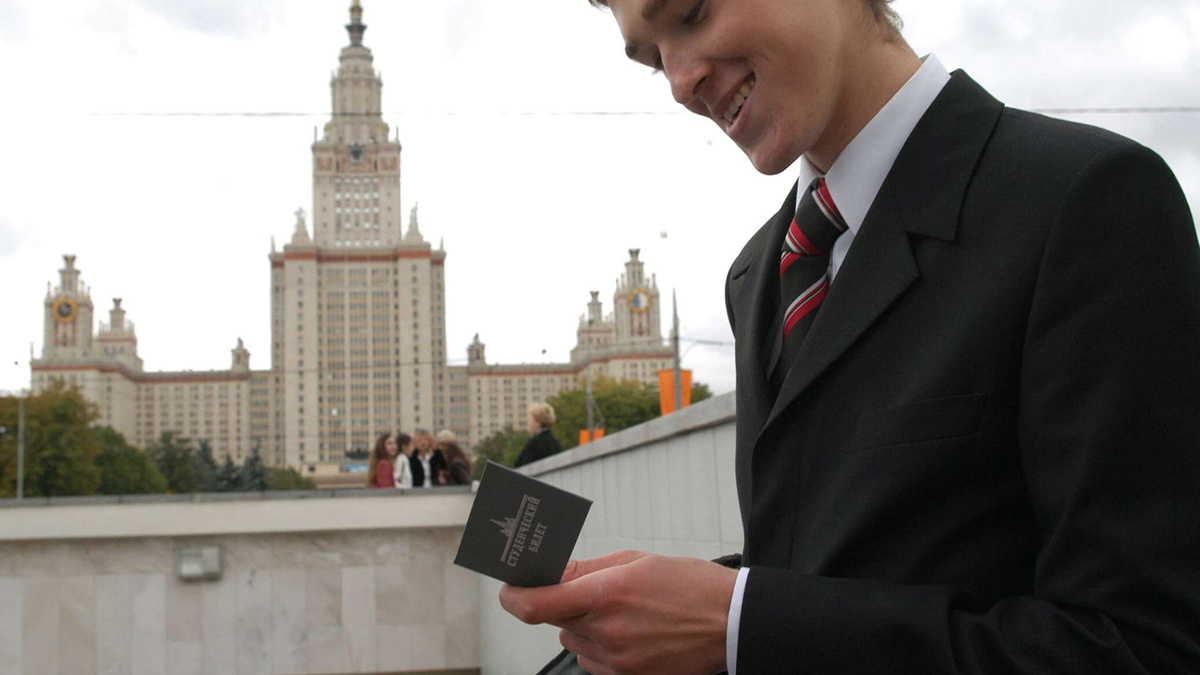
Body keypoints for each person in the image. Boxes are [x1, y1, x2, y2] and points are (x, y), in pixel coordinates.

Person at [499, 0, 1200, 673]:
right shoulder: (757, 273)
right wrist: (684, 615)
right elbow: (831, 572)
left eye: (692, 12)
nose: (681, 84)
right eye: (654, 60)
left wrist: (740, 625)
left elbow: (1141, 647)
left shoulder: (1088, 200)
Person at [514, 402, 564, 468]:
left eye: (531, 420)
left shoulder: (534, 443)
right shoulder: (556, 443)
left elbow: (520, 465)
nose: (529, 424)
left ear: (538, 422)